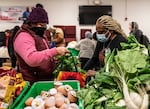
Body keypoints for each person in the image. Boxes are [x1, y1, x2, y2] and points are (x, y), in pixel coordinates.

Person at [13, 7, 68, 84]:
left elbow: (44, 53)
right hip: (32, 83)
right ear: (31, 23)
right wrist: (55, 51)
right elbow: (31, 59)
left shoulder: (40, 35)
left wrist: (53, 60)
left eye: (45, 25)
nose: (43, 27)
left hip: (43, 81)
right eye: (41, 25)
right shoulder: (23, 36)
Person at [83, 15, 128, 81]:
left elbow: (117, 70)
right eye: (97, 32)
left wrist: (97, 74)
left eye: (101, 32)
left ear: (111, 31)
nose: (98, 34)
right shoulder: (102, 41)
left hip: (115, 80)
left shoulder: (121, 42)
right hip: (104, 77)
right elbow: (94, 58)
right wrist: (82, 71)